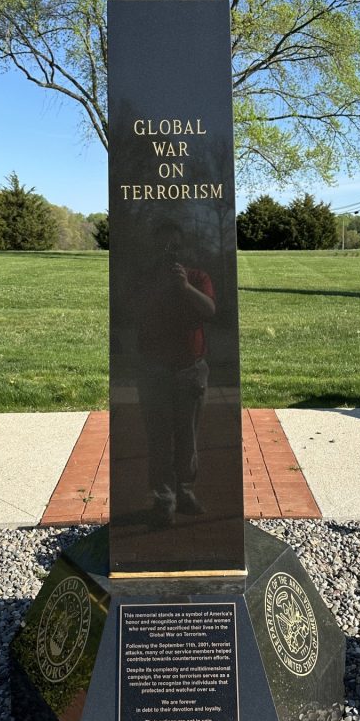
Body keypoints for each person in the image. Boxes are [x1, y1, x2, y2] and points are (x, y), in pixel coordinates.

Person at [136, 220, 215, 526]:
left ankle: (185, 491)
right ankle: (164, 499)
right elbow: (133, 312)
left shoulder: (197, 277)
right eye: (164, 246)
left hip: (190, 370)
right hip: (153, 369)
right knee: (158, 438)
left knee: (187, 437)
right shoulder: (145, 278)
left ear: (183, 249)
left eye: (175, 246)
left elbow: (210, 310)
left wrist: (185, 288)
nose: (170, 251)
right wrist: (159, 286)